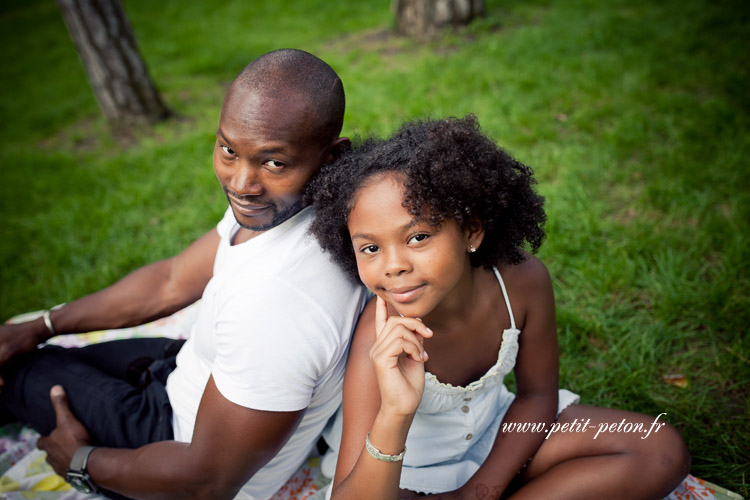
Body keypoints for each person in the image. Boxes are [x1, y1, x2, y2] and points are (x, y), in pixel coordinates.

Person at [0, 49, 367, 500]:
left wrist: (81, 462)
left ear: (331, 159)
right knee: (35, 348)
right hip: (185, 372)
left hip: (168, 441)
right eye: (229, 150)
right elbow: (171, 280)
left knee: (15, 372)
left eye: (273, 163)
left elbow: (205, 482)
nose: (241, 182)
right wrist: (42, 324)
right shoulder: (282, 210)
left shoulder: (278, 304)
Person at [306, 115, 691, 500]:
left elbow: (537, 396)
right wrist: (395, 412)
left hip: (498, 434)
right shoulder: (379, 337)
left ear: (471, 230)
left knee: (658, 449)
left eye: (418, 237)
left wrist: (479, 492)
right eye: (370, 248)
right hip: (402, 474)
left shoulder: (522, 283)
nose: (393, 265)